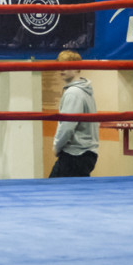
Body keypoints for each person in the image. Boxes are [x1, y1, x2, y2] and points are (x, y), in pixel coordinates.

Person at [50, 50, 99, 178]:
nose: (62, 69)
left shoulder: (74, 93)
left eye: (67, 65)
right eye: (60, 65)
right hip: (85, 152)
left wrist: (57, 146)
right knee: (76, 193)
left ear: (77, 68)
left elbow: (67, 125)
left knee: (53, 192)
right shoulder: (85, 90)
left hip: (75, 153)